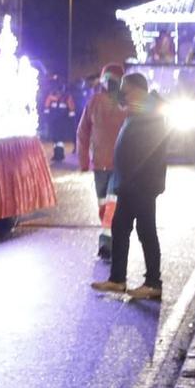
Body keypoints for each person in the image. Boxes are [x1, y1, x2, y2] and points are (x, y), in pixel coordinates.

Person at [94, 72, 166, 300]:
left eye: (126, 88)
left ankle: (153, 283)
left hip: (141, 185)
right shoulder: (140, 109)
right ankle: (117, 279)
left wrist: (133, 181)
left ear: (137, 89)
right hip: (129, 184)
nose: (123, 93)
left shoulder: (149, 112)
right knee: (120, 229)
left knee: (146, 232)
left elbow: (146, 152)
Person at [75, 62, 128, 258]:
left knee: (112, 205)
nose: (110, 83)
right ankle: (112, 235)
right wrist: (83, 161)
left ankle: (106, 243)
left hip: (120, 166)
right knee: (103, 205)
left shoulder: (127, 104)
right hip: (100, 165)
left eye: (113, 80)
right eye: (107, 80)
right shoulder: (94, 102)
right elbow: (83, 132)